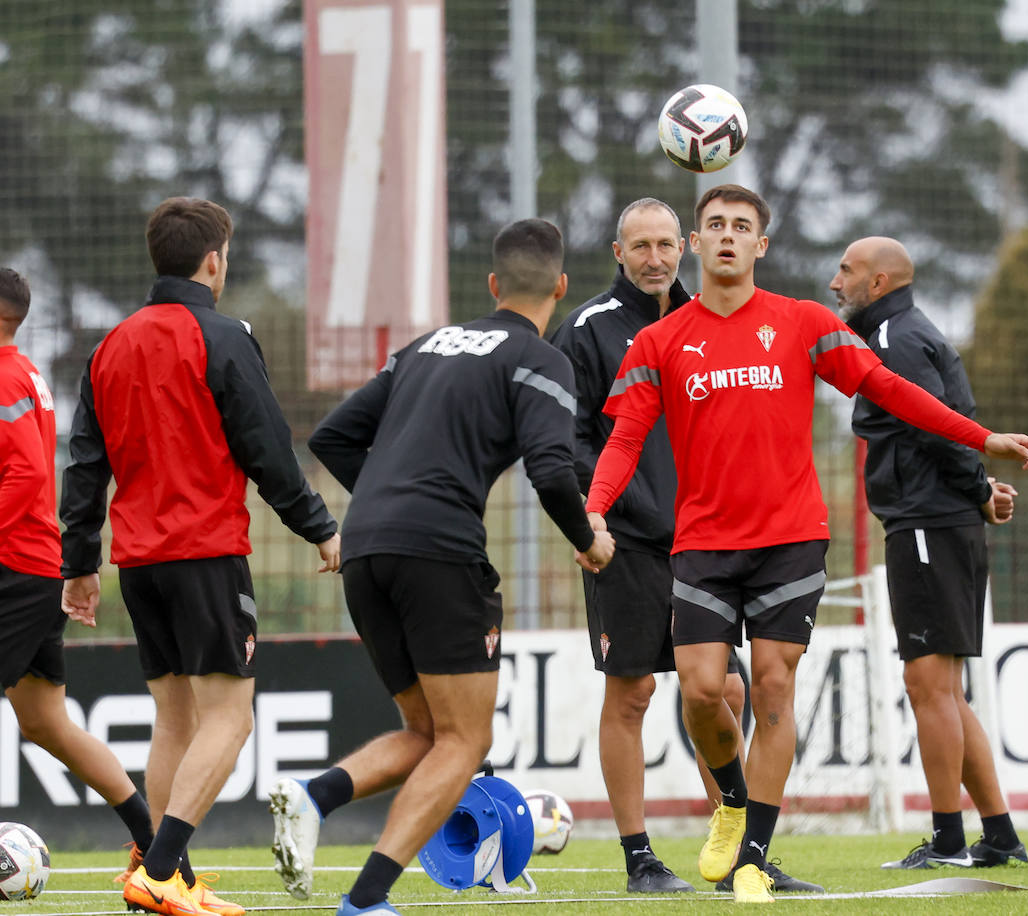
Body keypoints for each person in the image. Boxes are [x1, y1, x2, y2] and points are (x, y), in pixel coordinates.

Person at [584, 184, 1028, 904]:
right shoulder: (658, 341)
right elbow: (625, 438)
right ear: (695, 247)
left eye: (742, 227)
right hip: (701, 543)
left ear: (760, 246)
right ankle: (734, 805)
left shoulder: (803, 324)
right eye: (715, 226)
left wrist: (981, 438)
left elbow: (891, 389)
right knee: (705, 693)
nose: (728, 236)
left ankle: (753, 860)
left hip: (791, 539)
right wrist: (595, 513)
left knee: (770, 687)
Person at [274, 218, 614, 916]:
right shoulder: (542, 358)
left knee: (428, 733)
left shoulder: (423, 346)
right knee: (466, 739)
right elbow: (552, 471)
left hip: (365, 547)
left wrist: (385, 500)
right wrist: (588, 539)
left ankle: (317, 796)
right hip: (438, 553)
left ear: (492, 285)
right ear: (561, 287)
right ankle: (366, 901)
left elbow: (334, 435)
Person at [60, 198, 342, 916]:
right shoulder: (223, 336)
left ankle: (171, 877)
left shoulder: (110, 346)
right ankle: (157, 871)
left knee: (175, 719)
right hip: (206, 553)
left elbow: (85, 465)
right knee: (231, 716)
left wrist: (80, 563)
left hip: (139, 562)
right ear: (214, 259)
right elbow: (269, 447)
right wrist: (319, 526)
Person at [550, 199, 818, 894]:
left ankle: (739, 850)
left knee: (724, 687)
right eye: (640, 245)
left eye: (666, 244)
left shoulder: (705, 318)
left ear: (685, 247)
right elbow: (574, 440)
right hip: (630, 540)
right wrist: (609, 516)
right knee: (632, 692)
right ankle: (639, 855)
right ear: (617, 251)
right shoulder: (588, 330)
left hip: (706, 542)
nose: (655, 257)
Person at [831, 235, 1028, 871]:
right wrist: (979, 493)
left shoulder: (892, 341)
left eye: (848, 271)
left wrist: (976, 491)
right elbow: (949, 430)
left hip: (925, 525)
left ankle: (948, 841)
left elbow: (934, 424)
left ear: (879, 282)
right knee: (945, 689)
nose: (836, 283)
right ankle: (997, 834)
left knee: (927, 686)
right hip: (943, 523)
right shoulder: (912, 333)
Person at [0, 267, 160, 891]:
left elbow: (24, 478)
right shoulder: (28, 373)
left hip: (14, 567)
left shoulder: (8, 375)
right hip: (35, 565)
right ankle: (156, 845)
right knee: (44, 722)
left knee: (48, 722)